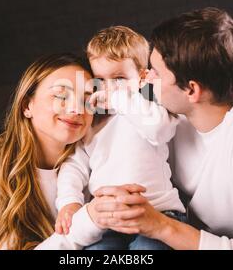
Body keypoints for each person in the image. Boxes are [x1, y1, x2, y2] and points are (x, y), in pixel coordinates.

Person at [84, 7, 233, 249]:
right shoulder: (174, 119)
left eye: (156, 73)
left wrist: (163, 226)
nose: (146, 79)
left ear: (192, 90)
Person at [54, 26, 185, 250]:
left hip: (158, 211)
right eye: (100, 80)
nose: (108, 88)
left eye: (119, 78)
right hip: (107, 220)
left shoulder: (150, 104)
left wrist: (119, 98)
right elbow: (74, 165)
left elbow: (159, 131)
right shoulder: (92, 120)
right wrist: (69, 202)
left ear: (142, 76)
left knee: (147, 251)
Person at [0, 53, 103, 249]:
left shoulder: (93, 155)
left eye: (87, 100)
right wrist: (87, 222)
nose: (77, 109)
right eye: (61, 95)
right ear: (27, 105)